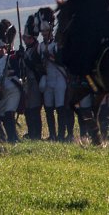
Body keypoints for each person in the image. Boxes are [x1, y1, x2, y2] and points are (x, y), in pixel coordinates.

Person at [37, 11, 74, 142]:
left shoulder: (56, 44)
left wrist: (51, 57)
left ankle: (61, 134)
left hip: (59, 78)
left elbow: (61, 61)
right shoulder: (40, 46)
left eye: (46, 32)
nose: (44, 34)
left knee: (60, 108)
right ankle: (52, 134)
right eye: (43, 32)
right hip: (48, 79)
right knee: (48, 109)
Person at [0, 39, 22, 143]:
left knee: (9, 114)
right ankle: (11, 137)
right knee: (3, 116)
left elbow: (18, 71)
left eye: (1, 48)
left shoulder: (11, 58)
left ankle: (14, 139)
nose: (0, 50)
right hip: (1, 91)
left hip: (12, 88)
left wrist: (9, 72)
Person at [21, 13, 45, 140]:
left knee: (35, 110)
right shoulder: (28, 49)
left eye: (26, 37)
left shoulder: (37, 49)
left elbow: (38, 66)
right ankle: (31, 133)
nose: (24, 39)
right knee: (28, 110)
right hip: (28, 83)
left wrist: (26, 60)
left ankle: (37, 135)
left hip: (35, 81)